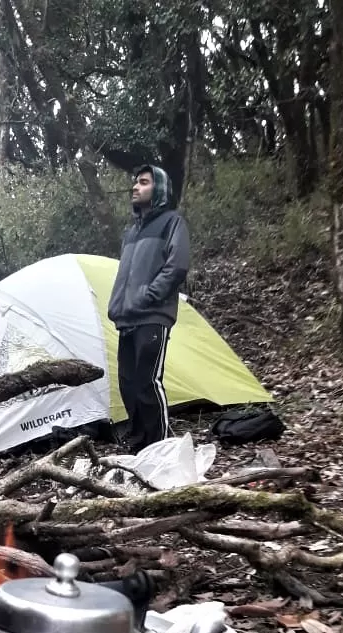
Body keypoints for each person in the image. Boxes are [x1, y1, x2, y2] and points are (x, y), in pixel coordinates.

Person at [108, 164, 190, 452]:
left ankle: (160, 446)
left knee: (147, 382)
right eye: (135, 182)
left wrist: (147, 296)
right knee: (128, 384)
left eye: (143, 182)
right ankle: (139, 444)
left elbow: (177, 266)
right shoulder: (131, 233)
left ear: (159, 189)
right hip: (127, 317)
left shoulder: (172, 222)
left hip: (152, 315)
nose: (135, 187)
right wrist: (121, 304)